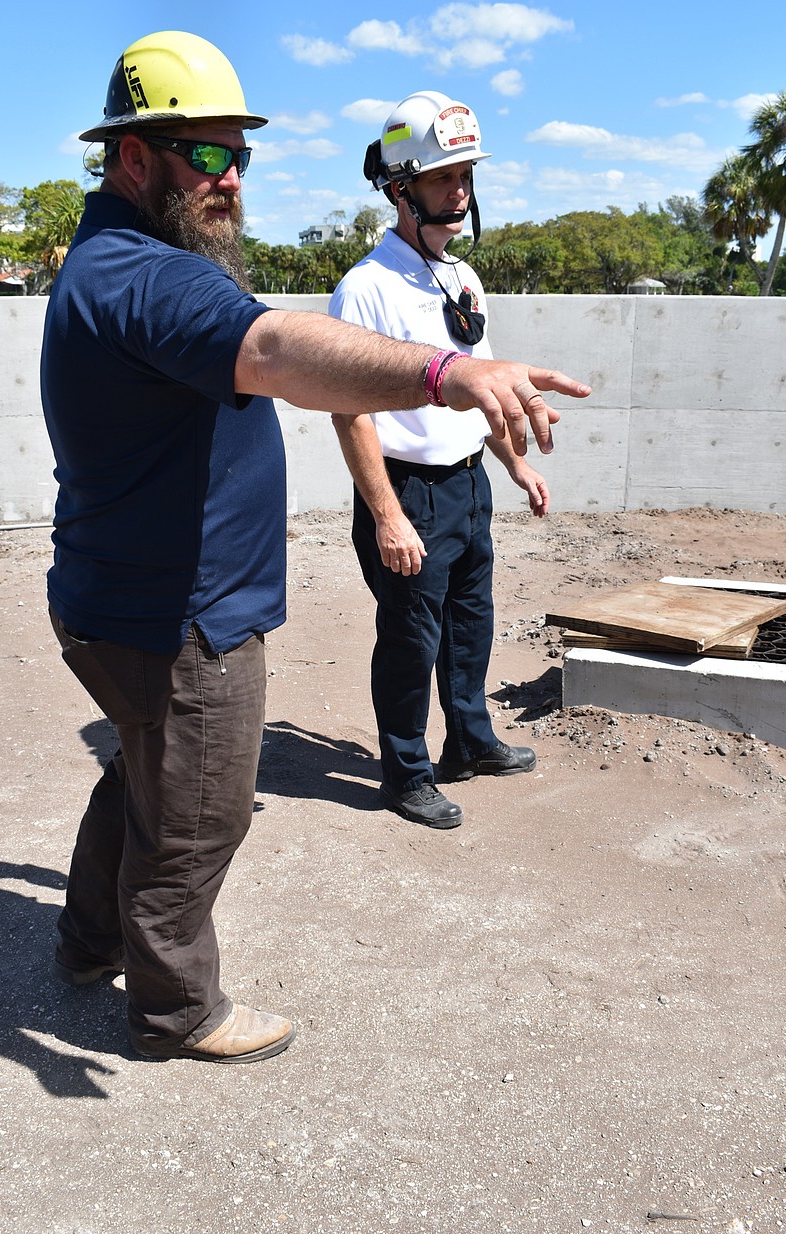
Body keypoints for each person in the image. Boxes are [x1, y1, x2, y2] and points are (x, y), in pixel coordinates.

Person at [42, 32, 590, 1065]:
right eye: (205, 155)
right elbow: (278, 347)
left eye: (238, 152)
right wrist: (444, 375)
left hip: (126, 596)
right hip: (182, 615)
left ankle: (87, 941)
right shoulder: (147, 275)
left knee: (143, 774)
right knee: (198, 818)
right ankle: (176, 1010)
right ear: (132, 158)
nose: (231, 175)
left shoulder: (116, 260)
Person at [329, 91, 554, 831]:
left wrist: (514, 464)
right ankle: (406, 773)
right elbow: (350, 409)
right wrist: (387, 515)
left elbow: (482, 384)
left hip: (467, 484)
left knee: (468, 624)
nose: (459, 192)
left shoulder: (459, 277)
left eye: (465, 176)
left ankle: (469, 740)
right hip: (407, 494)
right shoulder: (366, 288)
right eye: (442, 178)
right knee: (408, 640)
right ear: (401, 188)